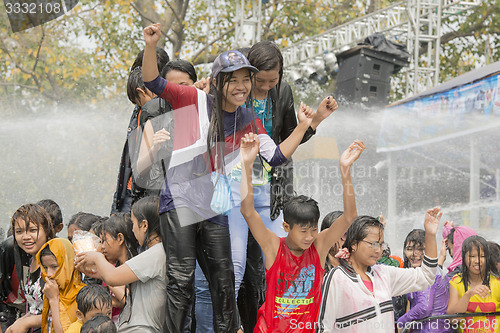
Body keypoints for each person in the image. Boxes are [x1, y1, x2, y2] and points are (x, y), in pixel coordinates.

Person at [141, 23, 336, 333]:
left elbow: (276, 156)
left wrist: (303, 127)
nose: (243, 86)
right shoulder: (192, 98)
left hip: (216, 207)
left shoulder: (248, 118)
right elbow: (151, 80)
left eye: (247, 80)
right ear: (219, 82)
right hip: (181, 201)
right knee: (181, 280)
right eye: (235, 80)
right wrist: (151, 45)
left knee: (224, 281)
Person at [240, 134, 364, 332]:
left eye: (314, 229)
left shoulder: (319, 246)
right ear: (286, 227)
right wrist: (247, 165)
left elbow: (350, 217)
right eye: (304, 231)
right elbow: (248, 211)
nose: (310, 236)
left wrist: (345, 170)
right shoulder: (273, 247)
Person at [316, 208, 441, 332]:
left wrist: (430, 235)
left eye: (381, 245)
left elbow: (426, 276)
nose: (378, 250)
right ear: (354, 243)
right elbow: (323, 327)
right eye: (374, 244)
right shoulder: (337, 278)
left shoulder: (383, 274)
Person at [75, 196, 166, 333]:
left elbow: (113, 277)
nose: (133, 229)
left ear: (144, 225)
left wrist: (97, 257)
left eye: (134, 223)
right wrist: (99, 273)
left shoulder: (156, 254)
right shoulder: (156, 253)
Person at [111, 47, 169, 215]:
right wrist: (116, 206)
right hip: (130, 194)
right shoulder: (139, 110)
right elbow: (129, 164)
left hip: (151, 197)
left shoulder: (169, 113)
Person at [6, 204, 55, 333]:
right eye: (19, 232)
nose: (26, 237)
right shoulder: (31, 259)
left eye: (32, 230)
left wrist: (28, 322)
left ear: (47, 230)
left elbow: (66, 308)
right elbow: (36, 307)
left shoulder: (56, 259)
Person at [397, 229, 452, 333]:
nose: (414, 254)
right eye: (409, 249)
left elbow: (424, 307)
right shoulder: (419, 272)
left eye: (420, 249)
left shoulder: (431, 274)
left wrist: (402, 321)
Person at [447, 235, 500, 333]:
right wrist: (467, 295)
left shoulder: (497, 282)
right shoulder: (456, 282)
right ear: (464, 257)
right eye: (472, 256)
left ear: (487, 258)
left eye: (482, 256)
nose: (477, 261)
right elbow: (452, 320)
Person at [36, 238, 86, 333]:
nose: (49, 274)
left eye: (54, 266)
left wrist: (54, 299)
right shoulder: (51, 290)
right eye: (45, 267)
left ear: (68, 264)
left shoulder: (82, 296)